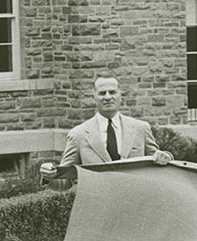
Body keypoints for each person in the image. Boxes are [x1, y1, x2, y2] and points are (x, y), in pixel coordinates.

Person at [39, 75, 174, 181]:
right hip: (99, 208)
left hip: (136, 205)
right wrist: (49, 174)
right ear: (94, 97)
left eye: (112, 92)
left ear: (120, 95)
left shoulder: (141, 129)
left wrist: (165, 156)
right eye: (102, 93)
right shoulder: (78, 135)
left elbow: (158, 165)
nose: (108, 97)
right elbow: (65, 180)